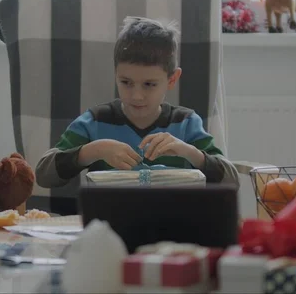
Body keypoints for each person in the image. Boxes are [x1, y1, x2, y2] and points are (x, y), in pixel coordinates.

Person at [35, 16, 239, 188]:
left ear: (172, 79)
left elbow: (231, 181)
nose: (136, 96)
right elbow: (43, 175)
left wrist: (190, 152)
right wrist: (92, 150)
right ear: (115, 75)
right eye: (126, 82)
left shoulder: (186, 123)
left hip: (173, 225)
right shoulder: (95, 121)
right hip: (109, 226)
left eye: (149, 84)